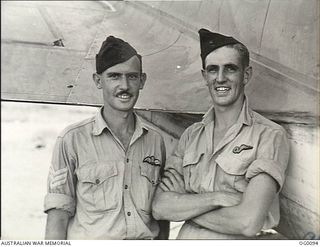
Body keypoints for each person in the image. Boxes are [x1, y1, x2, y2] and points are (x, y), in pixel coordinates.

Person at [152, 28, 290, 239]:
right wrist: (218, 198)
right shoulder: (191, 136)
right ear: (204, 76)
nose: (220, 78)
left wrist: (186, 206)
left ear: (246, 75)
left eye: (230, 69)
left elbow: (247, 222)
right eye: (213, 70)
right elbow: (160, 207)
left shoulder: (268, 136)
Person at [44, 36, 169, 240]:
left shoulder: (155, 141)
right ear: (97, 81)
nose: (124, 86)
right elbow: (57, 217)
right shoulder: (72, 139)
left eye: (132, 77)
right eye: (114, 76)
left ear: (142, 80)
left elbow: (161, 217)